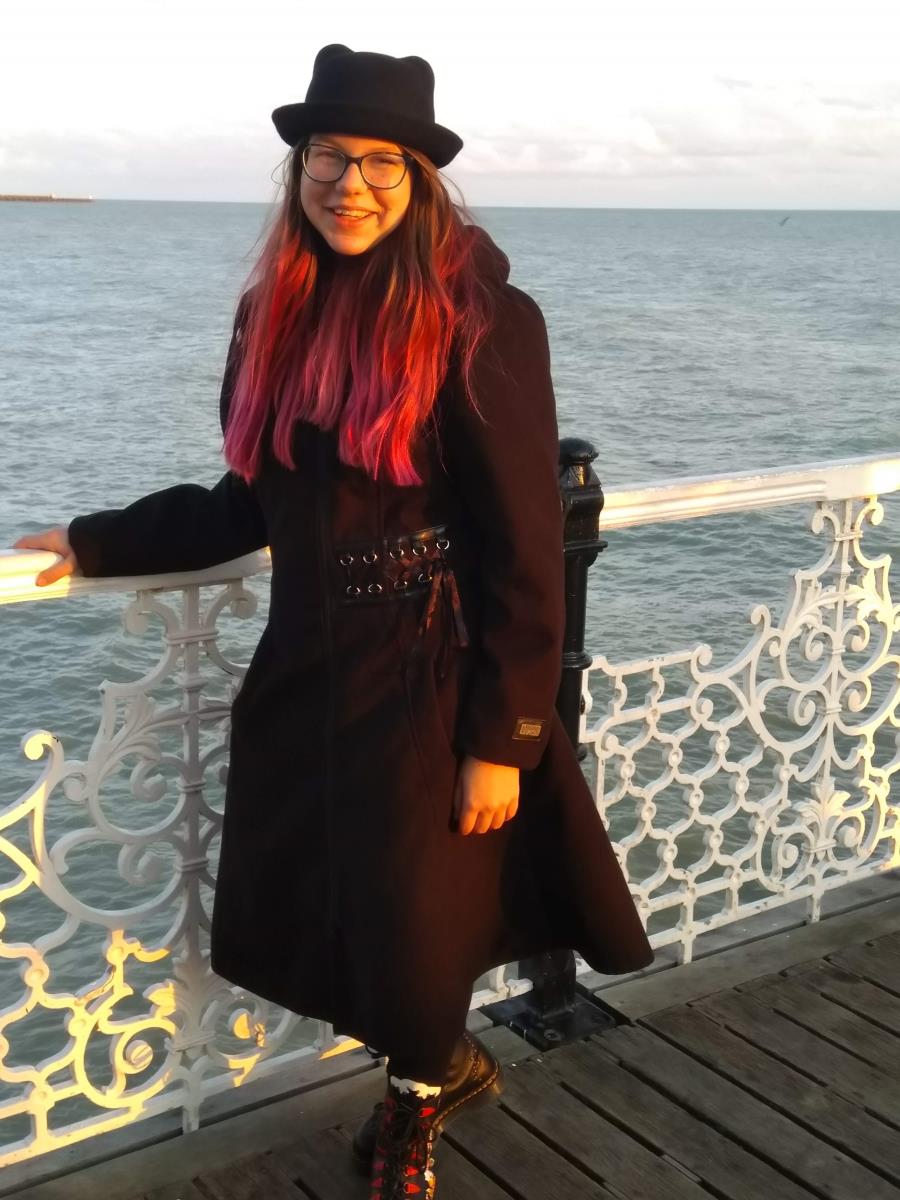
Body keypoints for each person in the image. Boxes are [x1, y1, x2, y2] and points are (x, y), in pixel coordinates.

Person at [15, 44, 654, 1200]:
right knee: (306, 909)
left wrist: (502, 737)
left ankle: (417, 1101)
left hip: (431, 669)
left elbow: (524, 542)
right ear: (298, 166)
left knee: (415, 924)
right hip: (308, 667)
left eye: (378, 162)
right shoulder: (275, 313)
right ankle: (444, 1065)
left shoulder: (481, 319)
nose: (347, 183)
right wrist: (98, 540)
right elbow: (249, 502)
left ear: (418, 179)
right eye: (326, 156)